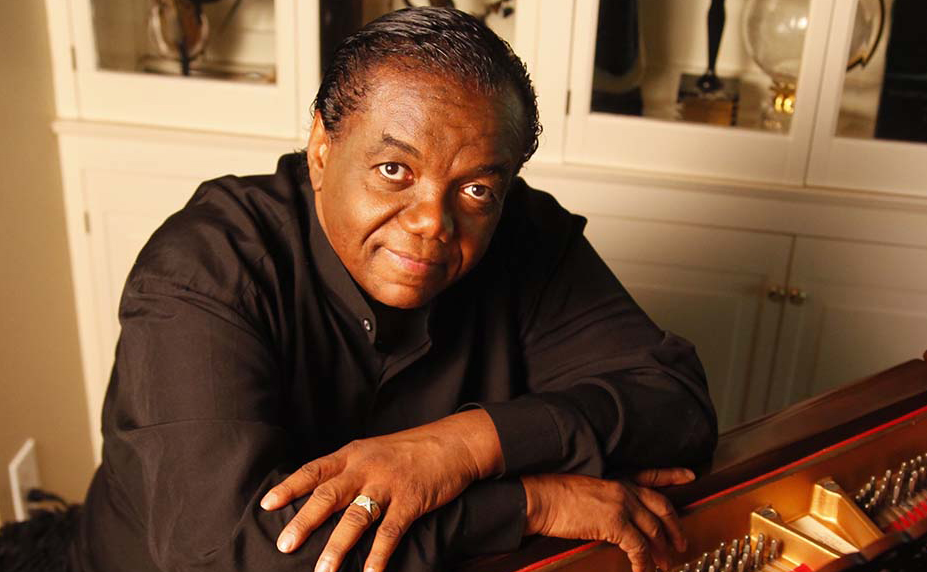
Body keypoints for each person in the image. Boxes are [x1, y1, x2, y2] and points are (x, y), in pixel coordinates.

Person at [70, 7, 717, 572]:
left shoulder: (525, 233)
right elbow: (227, 556)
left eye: (476, 189)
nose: (433, 220)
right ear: (321, 149)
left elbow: (677, 409)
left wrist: (463, 447)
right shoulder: (202, 269)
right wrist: (529, 503)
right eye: (393, 169)